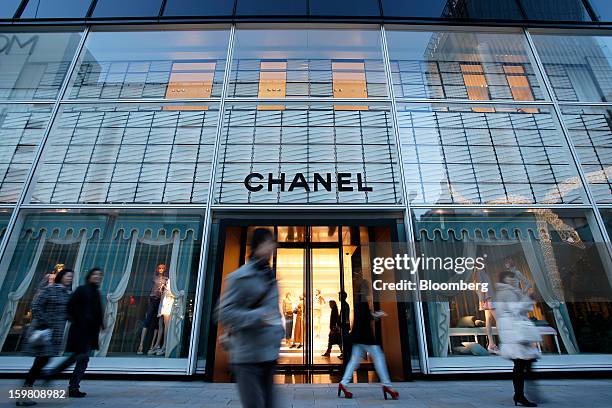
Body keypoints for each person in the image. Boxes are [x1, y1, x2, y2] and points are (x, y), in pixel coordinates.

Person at [218, 228, 284, 408]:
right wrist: (257, 316)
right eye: (270, 243)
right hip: (247, 358)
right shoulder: (240, 277)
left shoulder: (271, 277)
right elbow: (224, 312)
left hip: (268, 357)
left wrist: (279, 335)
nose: (273, 247)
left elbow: (274, 313)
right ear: (259, 246)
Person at [17, 269, 73, 407]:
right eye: (67, 276)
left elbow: (68, 313)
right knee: (39, 363)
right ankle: (24, 394)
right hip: (45, 332)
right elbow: (36, 306)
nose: (70, 278)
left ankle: (28, 389)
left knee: (42, 361)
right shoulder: (50, 290)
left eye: (71, 277)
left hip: (56, 334)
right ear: (60, 276)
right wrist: (45, 321)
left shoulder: (67, 293)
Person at [45, 268, 104, 398]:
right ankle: (57, 375)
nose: (98, 277)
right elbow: (70, 308)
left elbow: (98, 312)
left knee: (83, 358)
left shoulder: (96, 292)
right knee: (80, 356)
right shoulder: (82, 290)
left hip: (90, 332)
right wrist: (79, 321)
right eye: (95, 274)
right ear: (89, 276)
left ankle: (72, 386)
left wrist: (100, 327)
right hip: (80, 330)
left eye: (100, 275)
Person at [338, 282, 399, 400]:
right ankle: (387, 386)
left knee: (354, 361)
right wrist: (376, 315)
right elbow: (364, 318)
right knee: (379, 358)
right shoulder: (363, 300)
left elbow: (361, 317)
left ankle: (343, 383)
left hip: (359, 336)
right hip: (366, 337)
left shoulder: (358, 299)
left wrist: (372, 315)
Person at [495, 270, 541, 407]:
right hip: (514, 332)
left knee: (523, 363)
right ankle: (520, 395)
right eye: (510, 278)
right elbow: (516, 309)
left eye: (514, 278)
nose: (513, 280)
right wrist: (529, 298)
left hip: (514, 331)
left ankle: (520, 394)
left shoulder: (510, 292)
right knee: (521, 364)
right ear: (504, 279)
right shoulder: (507, 292)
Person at [137, 264, 168, 354]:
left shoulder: (166, 279)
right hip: (152, 299)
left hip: (160, 300)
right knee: (147, 320)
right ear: (157, 269)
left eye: (162, 268)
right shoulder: (154, 278)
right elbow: (150, 289)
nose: (161, 269)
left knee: (157, 322)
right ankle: (141, 345)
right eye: (159, 268)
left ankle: (152, 345)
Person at [338, 291, 350, 361]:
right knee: (344, 340)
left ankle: (345, 354)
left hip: (344, 325)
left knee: (345, 340)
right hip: (344, 325)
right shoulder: (344, 305)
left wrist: (343, 324)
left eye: (340, 296)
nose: (339, 298)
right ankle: (344, 354)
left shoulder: (345, 305)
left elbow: (345, 317)